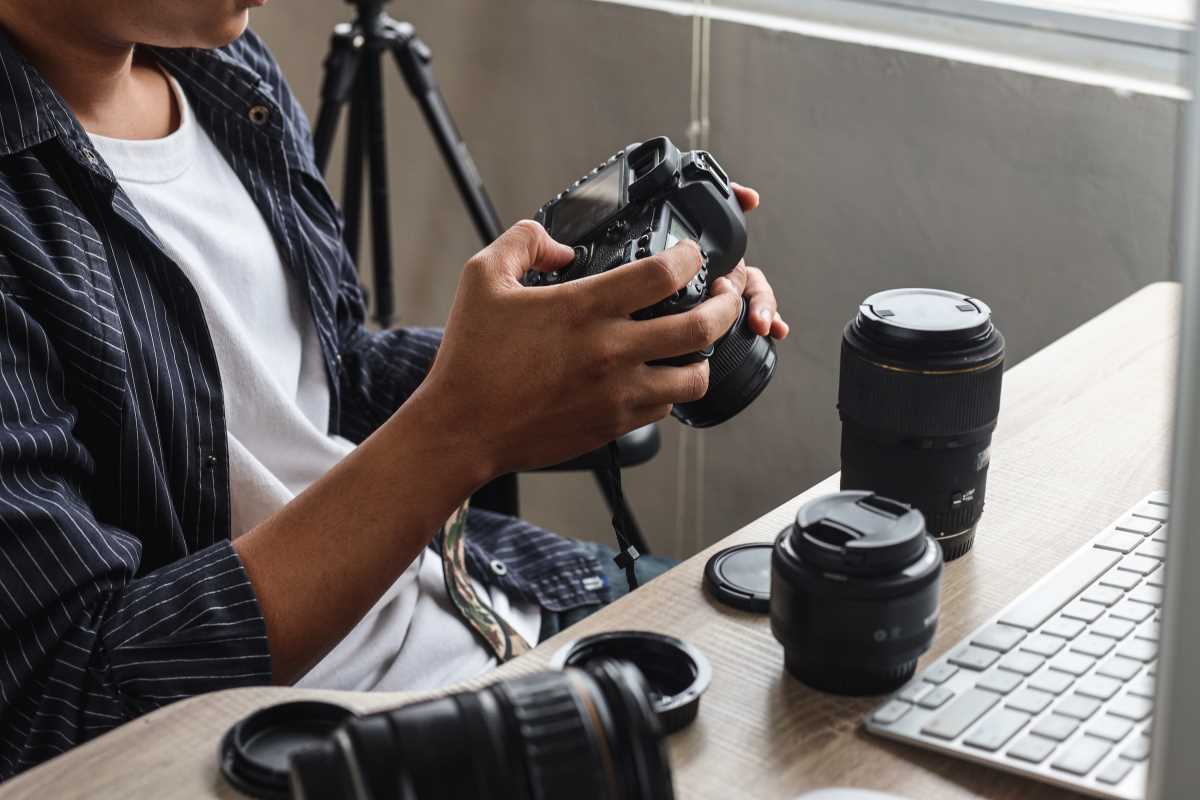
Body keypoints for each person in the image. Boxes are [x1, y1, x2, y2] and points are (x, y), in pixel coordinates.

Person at [0, 0, 789, 778]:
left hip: (484, 593)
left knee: (819, 641)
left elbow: (325, 381)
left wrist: (589, 342)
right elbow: (65, 707)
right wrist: (464, 427)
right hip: (318, 748)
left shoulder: (225, 75)